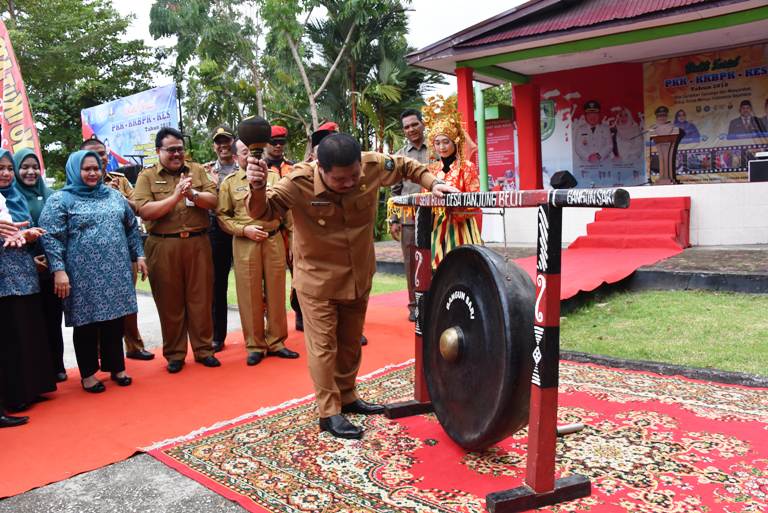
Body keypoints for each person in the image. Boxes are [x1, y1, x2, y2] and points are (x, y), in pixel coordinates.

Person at [245, 133, 457, 439]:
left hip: (358, 274)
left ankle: (348, 396)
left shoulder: (371, 165)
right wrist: (256, 187)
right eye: (339, 179)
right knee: (323, 347)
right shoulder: (297, 181)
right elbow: (262, 212)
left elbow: (406, 165)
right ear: (320, 168)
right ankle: (329, 413)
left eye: (353, 176)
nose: (348, 183)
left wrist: (432, 183)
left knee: (349, 342)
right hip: (317, 280)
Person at [39, 150, 145, 393]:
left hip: (116, 270)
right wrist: (59, 270)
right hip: (80, 275)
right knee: (86, 323)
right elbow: (51, 238)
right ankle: (88, 374)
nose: (92, 173)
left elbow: (131, 227)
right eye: (86, 169)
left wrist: (138, 255)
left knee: (115, 320)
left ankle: (117, 368)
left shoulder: (113, 196)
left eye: (96, 168)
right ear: (76, 170)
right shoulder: (60, 200)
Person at [133, 127, 221, 373]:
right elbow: (143, 210)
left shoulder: (197, 171)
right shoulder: (147, 177)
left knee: (201, 299)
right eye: (171, 150)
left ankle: (204, 350)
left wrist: (192, 192)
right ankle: (175, 354)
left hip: (198, 243)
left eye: (180, 149)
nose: (176, 154)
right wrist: (174, 197)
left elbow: (214, 201)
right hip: (163, 245)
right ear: (158, 151)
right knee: (169, 302)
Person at [218, 139, 298, 365]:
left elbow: (288, 213)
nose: (252, 157)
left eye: (255, 153)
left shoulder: (274, 178)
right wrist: (244, 229)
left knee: (276, 291)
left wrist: (292, 240)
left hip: (273, 240)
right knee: (249, 294)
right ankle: (255, 345)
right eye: (245, 153)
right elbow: (223, 217)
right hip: (245, 243)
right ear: (235, 158)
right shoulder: (229, 183)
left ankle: (277, 342)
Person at [81, 136, 153, 361]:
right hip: (91, 255)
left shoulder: (120, 181)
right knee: (98, 303)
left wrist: (118, 196)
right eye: (93, 155)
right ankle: (103, 351)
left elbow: (139, 209)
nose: (99, 159)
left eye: (102, 154)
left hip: (123, 249)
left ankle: (134, 345)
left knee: (127, 299)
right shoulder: (78, 183)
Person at [0, 150, 55, 417]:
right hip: (3, 279)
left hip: (25, 271)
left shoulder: (17, 196)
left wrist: (30, 234)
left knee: (29, 330)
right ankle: (15, 396)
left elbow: (22, 229)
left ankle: (34, 388)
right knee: (10, 336)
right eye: (1, 168)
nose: (6, 173)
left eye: (9, 168)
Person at [12, 149, 67, 382]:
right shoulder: (10, 197)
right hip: (23, 270)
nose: (30, 171)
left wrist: (53, 260)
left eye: (35, 166)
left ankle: (57, 366)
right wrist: (30, 258)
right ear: (16, 169)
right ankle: (39, 372)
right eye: (24, 166)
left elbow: (60, 229)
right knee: (32, 323)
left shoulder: (52, 195)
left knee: (53, 319)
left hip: (51, 268)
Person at [422, 95, 483, 269]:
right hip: (437, 226)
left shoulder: (467, 167)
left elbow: (474, 198)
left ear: (455, 143)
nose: (442, 147)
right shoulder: (431, 170)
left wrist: (455, 207)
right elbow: (425, 196)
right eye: (437, 143)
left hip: (462, 226)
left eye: (446, 142)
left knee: (464, 267)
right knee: (438, 271)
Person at [390, 108, 430, 322]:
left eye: (414, 124)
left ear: (422, 124)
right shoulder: (400, 155)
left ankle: (435, 302)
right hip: (408, 218)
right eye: (406, 127)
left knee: (437, 260)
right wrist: (394, 219)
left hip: (436, 216)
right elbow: (395, 190)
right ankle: (414, 305)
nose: (411, 129)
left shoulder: (435, 148)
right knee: (411, 263)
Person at [208, 125, 238, 353]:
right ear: (214, 146)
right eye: (218, 141)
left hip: (243, 227)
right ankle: (217, 336)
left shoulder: (244, 166)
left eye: (226, 140)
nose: (222, 145)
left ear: (233, 142)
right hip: (217, 231)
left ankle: (260, 333)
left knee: (253, 282)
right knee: (217, 284)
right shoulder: (207, 171)